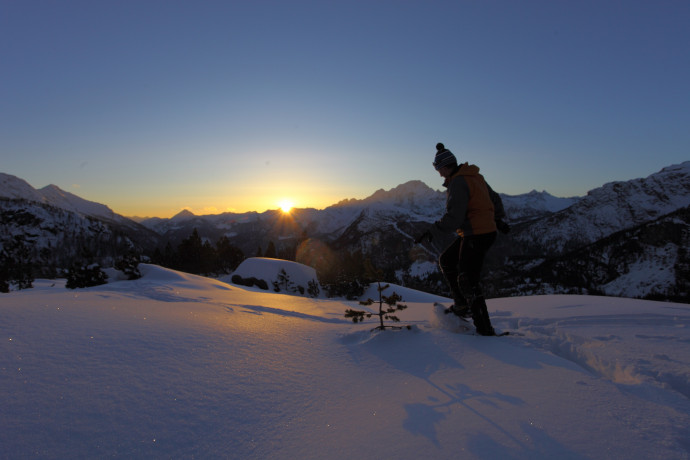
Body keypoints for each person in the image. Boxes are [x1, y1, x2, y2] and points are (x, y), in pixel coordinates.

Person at [416, 143, 508, 336]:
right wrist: (498, 219)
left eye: (438, 168)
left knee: (468, 279)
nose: (439, 173)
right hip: (481, 232)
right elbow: (495, 198)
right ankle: (461, 305)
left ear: (445, 166)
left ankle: (484, 328)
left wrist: (434, 230)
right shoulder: (475, 176)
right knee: (447, 260)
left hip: (477, 233)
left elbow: (455, 217)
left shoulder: (458, 182)